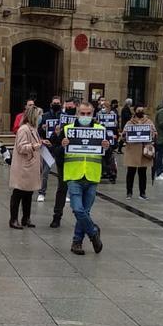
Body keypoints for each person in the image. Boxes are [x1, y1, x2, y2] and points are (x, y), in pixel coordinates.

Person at [57, 102, 109, 253]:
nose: (85, 117)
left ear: (93, 114)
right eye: (82, 113)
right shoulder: (67, 130)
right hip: (74, 175)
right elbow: (56, 152)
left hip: (92, 176)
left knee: (85, 211)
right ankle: (93, 233)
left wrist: (107, 148)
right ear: (77, 114)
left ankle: (76, 243)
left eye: (88, 114)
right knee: (78, 209)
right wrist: (62, 145)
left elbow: (108, 157)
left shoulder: (101, 130)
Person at [9, 106, 43, 229]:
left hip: (30, 167)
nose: (41, 118)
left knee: (28, 193)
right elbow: (21, 147)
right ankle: (13, 219)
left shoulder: (33, 129)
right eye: (39, 115)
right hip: (24, 167)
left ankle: (26, 218)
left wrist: (41, 143)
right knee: (18, 193)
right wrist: (34, 146)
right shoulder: (24, 129)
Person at [123, 105, 156, 200]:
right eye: (138, 110)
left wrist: (152, 134)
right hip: (132, 150)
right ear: (135, 111)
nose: (141, 111)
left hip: (144, 150)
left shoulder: (149, 122)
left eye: (142, 110)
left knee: (143, 173)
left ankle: (142, 193)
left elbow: (154, 133)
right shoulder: (129, 123)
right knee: (130, 172)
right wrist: (125, 136)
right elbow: (124, 135)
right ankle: (129, 192)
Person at [37, 97, 64, 202]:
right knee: (45, 172)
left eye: (58, 103)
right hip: (48, 146)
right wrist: (42, 128)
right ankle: (42, 192)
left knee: (61, 173)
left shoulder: (63, 117)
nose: (56, 104)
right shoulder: (45, 116)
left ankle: (64, 193)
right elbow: (38, 131)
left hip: (59, 146)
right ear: (51, 104)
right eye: (54, 103)